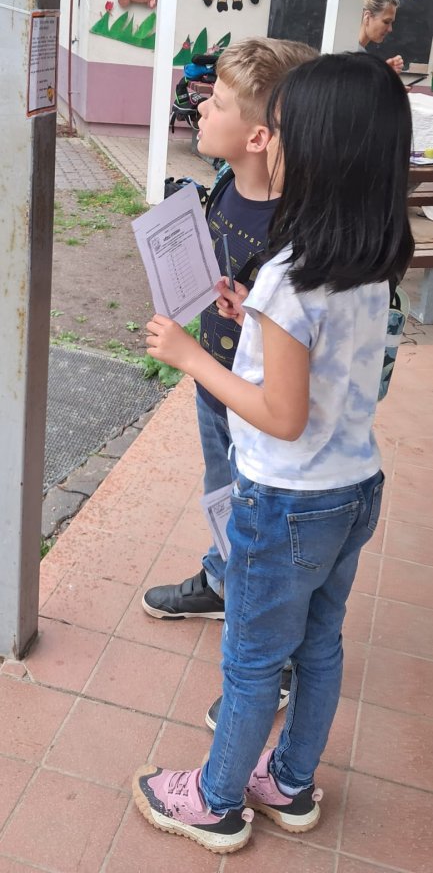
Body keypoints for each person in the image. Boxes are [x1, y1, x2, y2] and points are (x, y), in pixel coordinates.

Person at [133, 52, 414, 854]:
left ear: (318, 151)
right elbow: (317, 368)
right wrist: (249, 313)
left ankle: (216, 800)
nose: (269, 139)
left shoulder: (293, 276)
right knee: (319, 645)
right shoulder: (365, 260)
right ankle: (288, 783)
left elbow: (279, 415)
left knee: (252, 662)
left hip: (283, 500)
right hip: (351, 489)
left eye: (282, 130)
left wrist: (194, 357)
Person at [142, 37, 317, 727]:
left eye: (214, 101)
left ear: (257, 136)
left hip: (262, 410)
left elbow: (292, 351)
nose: (200, 108)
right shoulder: (221, 186)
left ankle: (275, 657)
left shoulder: (297, 230)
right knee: (224, 495)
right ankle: (221, 581)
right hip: (215, 386)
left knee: (262, 528)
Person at [359, 0, 404, 72]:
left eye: (391, 23)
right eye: (386, 22)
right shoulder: (354, 58)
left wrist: (385, 73)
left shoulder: (359, 55)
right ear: (367, 17)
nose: (390, 29)